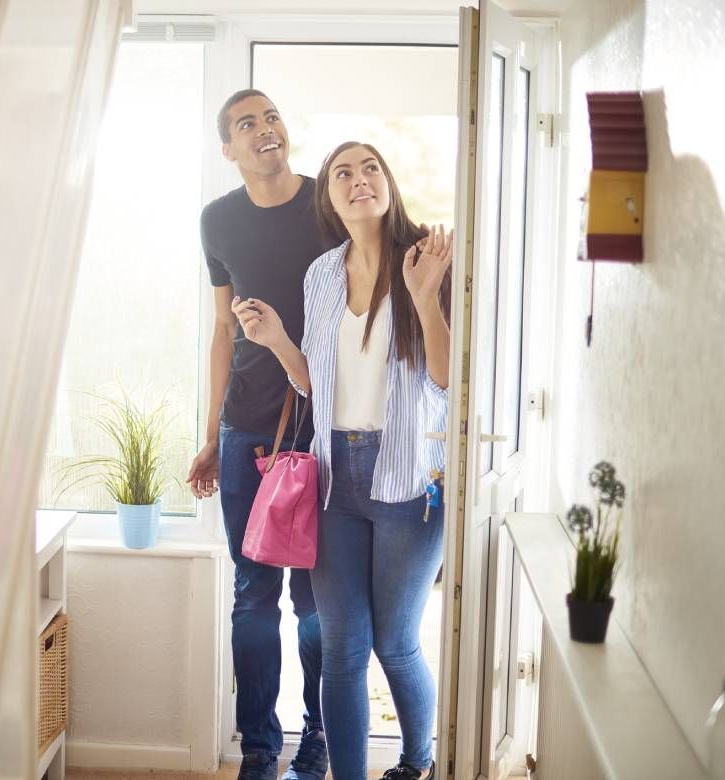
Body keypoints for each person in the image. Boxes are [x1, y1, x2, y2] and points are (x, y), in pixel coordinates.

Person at [232, 141, 452, 780]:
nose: (359, 181)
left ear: (390, 181)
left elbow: (444, 381)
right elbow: (314, 385)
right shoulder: (322, 274)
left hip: (410, 480)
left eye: (371, 167)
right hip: (334, 481)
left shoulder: (428, 259)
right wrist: (276, 340)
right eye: (343, 173)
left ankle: (417, 763)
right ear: (328, 195)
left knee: (396, 643)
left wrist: (425, 295)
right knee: (341, 648)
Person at [186, 89, 333, 780]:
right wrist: (210, 431)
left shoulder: (326, 206)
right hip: (246, 427)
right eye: (247, 124)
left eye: (272, 116)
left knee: (315, 598)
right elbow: (220, 330)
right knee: (253, 594)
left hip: (323, 432)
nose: (265, 129)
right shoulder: (217, 220)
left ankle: (320, 738)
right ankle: (259, 752)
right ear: (229, 149)